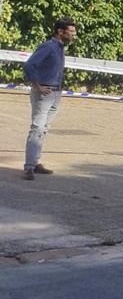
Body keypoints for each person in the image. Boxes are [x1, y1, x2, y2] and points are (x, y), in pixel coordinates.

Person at [21, 19, 77, 180]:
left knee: (44, 128)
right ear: (60, 31)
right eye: (71, 31)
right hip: (44, 93)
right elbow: (29, 65)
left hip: (55, 93)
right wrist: (37, 85)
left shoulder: (60, 48)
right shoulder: (49, 47)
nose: (74, 34)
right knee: (37, 128)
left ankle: (35, 162)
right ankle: (29, 167)